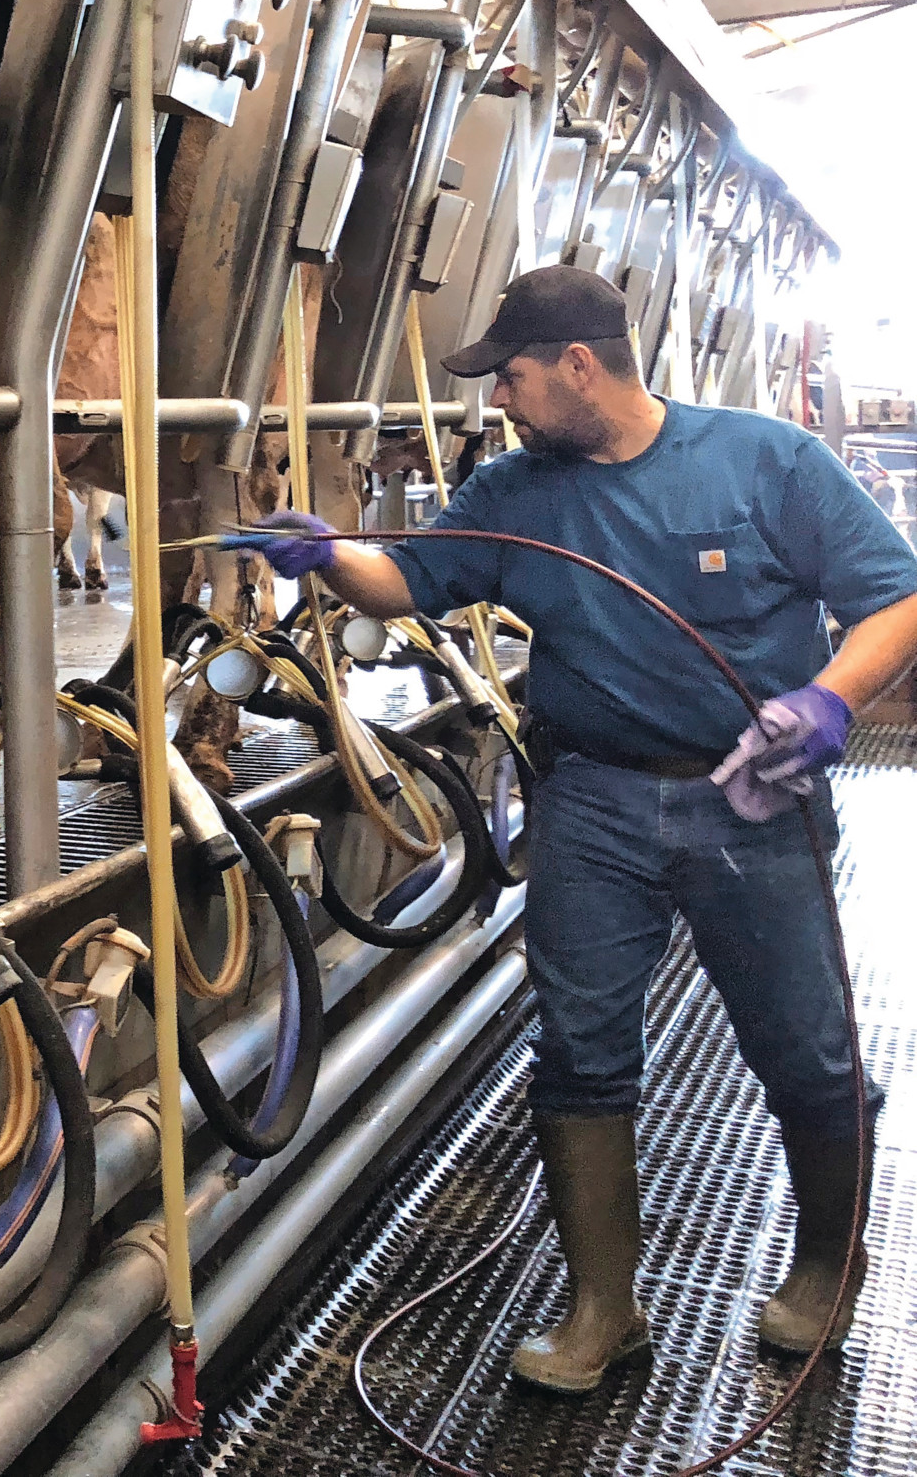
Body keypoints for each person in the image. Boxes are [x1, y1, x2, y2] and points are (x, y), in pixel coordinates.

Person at [247, 265, 917, 1392]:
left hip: (750, 799)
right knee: (579, 1050)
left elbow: (894, 596)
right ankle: (603, 1308)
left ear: (577, 365)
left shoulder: (762, 460)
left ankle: (824, 1267)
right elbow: (409, 579)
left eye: (510, 374)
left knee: (803, 1047)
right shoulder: (518, 491)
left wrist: (828, 700)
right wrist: (328, 557)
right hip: (594, 798)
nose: (499, 398)